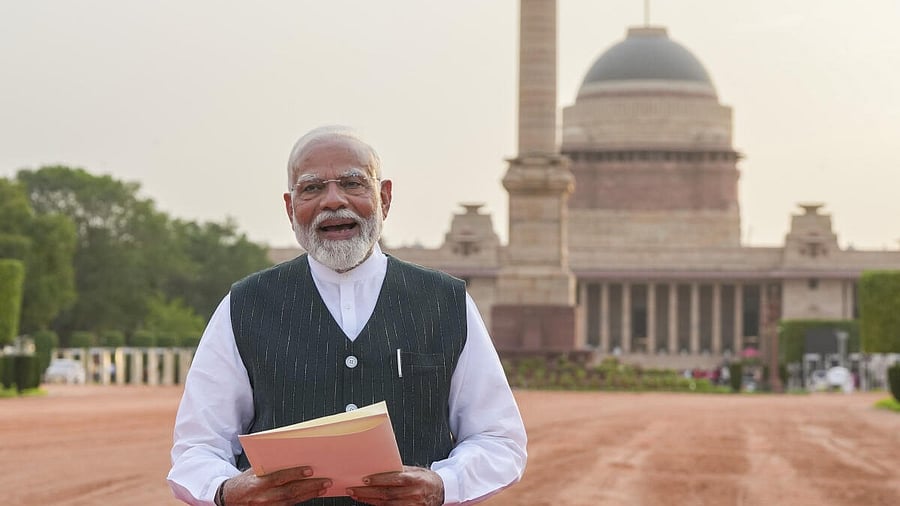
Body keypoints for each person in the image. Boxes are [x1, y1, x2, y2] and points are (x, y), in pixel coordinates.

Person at [167, 126, 527, 506]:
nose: (333, 201)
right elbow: (197, 448)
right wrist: (224, 491)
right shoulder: (245, 306)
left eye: (353, 184)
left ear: (384, 198)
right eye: (312, 188)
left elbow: (498, 439)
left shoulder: (446, 303)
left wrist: (444, 484)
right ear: (290, 209)